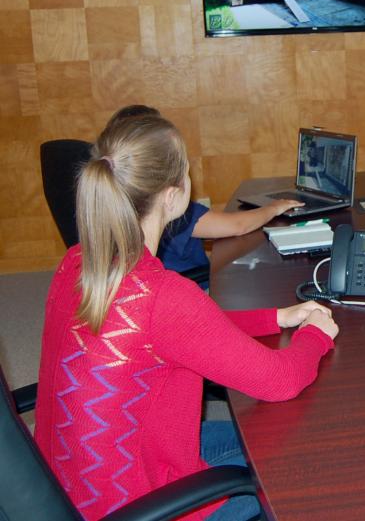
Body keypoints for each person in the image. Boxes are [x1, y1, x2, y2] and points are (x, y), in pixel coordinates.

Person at [34, 113, 340, 521]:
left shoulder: (76, 264)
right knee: (299, 456)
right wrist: (316, 335)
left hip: (69, 488)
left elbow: (186, 331)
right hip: (139, 506)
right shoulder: (161, 296)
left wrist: (275, 317)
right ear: (175, 195)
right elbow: (280, 381)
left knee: (259, 432)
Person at [103, 105, 302, 281]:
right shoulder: (172, 212)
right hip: (194, 289)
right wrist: (274, 207)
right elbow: (238, 226)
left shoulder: (113, 206)